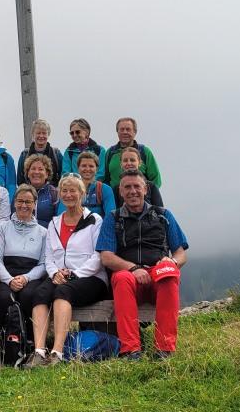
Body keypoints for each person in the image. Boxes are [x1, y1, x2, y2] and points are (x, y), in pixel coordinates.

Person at [97, 171, 188, 360]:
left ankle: (164, 349)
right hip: (129, 276)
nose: (133, 191)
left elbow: (181, 254)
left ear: (146, 189)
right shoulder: (112, 218)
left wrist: (172, 262)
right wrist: (133, 268)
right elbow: (106, 257)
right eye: (127, 187)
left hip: (158, 272)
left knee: (170, 275)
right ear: (120, 192)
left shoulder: (163, 215)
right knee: (121, 278)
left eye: (137, 186)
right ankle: (131, 349)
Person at [25, 175, 108, 367]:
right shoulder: (55, 223)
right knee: (40, 293)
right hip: (60, 276)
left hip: (91, 277)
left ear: (82, 194)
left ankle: (57, 352)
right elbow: (49, 256)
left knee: (63, 292)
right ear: (59, 194)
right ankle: (38, 351)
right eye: (64, 190)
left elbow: (98, 257)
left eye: (73, 190)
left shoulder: (94, 220)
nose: (68, 194)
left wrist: (74, 274)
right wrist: (54, 273)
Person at [0, 184, 48, 362]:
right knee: (4, 297)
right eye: (21, 201)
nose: (24, 205)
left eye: (29, 202)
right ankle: (0, 346)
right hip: (6, 275)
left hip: (30, 276)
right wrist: (9, 280)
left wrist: (25, 278)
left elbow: (44, 263)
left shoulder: (43, 232)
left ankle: (29, 345)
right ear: (14, 202)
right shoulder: (3, 228)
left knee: (30, 295)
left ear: (35, 204)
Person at [103, 117, 162, 189]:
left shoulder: (144, 151)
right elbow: (105, 178)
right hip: (115, 198)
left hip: (139, 197)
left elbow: (156, 179)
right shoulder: (110, 153)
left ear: (135, 132)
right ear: (117, 132)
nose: (125, 132)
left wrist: (147, 194)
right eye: (121, 129)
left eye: (128, 129)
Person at [56, 151, 115, 220]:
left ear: (97, 169)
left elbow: (110, 216)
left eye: (91, 166)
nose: (87, 169)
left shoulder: (104, 189)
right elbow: (61, 214)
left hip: (97, 228)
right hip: (74, 228)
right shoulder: (68, 189)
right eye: (84, 166)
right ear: (78, 168)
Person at [16, 119, 63, 187]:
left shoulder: (56, 154)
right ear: (33, 135)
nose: (41, 136)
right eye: (38, 133)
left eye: (44, 133)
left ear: (48, 134)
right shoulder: (24, 154)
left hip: (52, 194)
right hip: (30, 194)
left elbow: (63, 176)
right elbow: (20, 180)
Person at [23, 154, 59, 229]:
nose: (36, 172)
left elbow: (58, 222)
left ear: (46, 174)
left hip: (47, 237)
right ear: (28, 173)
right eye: (33, 168)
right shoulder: (20, 192)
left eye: (40, 169)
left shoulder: (54, 193)